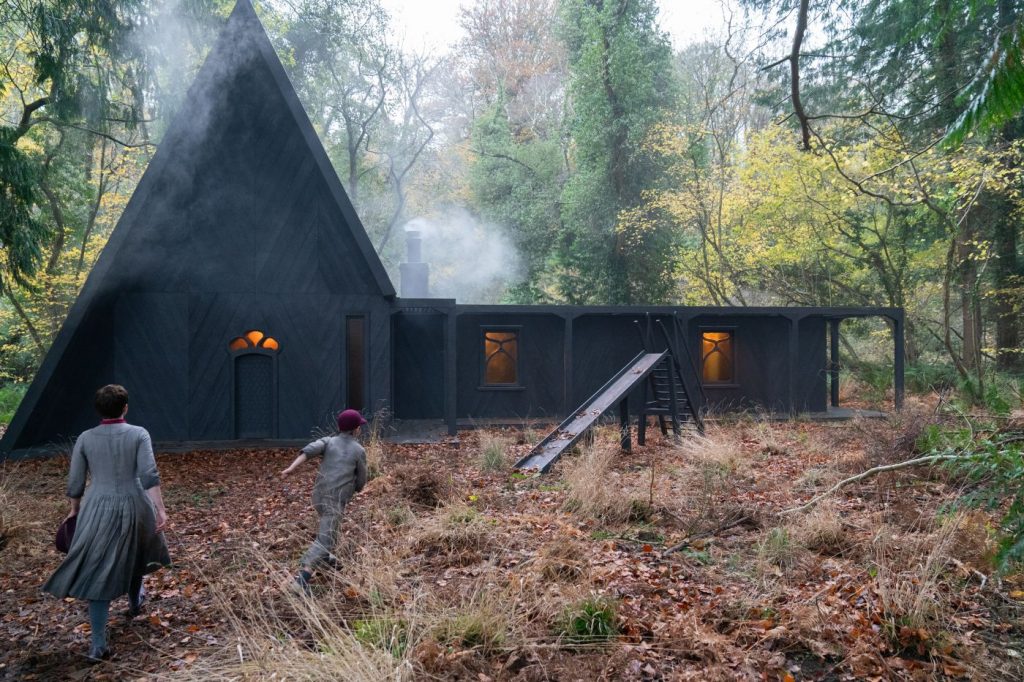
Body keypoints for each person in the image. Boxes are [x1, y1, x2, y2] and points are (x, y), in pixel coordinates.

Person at [42, 384, 170, 661]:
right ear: (125, 407)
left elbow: (76, 480)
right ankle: (135, 603)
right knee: (137, 550)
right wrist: (160, 509)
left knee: (98, 567)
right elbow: (149, 474)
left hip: (97, 504)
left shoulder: (86, 438)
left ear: (98, 409)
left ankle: (99, 642)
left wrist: (74, 510)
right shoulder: (138, 434)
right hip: (135, 501)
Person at [281, 408, 368, 594]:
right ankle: (302, 579)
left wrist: (291, 468)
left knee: (329, 531)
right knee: (325, 539)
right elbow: (362, 478)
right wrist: (357, 488)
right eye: (359, 426)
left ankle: (329, 561)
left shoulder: (328, 442)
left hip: (318, 497)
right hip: (334, 501)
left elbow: (309, 451)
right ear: (355, 430)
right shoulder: (359, 450)